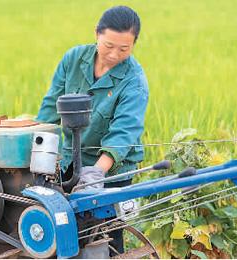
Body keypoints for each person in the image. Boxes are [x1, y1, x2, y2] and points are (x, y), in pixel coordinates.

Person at [36, 5, 148, 255]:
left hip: (109, 171)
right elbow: (51, 107)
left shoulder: (134, 81)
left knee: (106, 236)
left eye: (124, 49)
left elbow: (124, 132)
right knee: (64, 231)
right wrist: (36, 143)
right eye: (108, 45)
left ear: (134, 45)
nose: (114, 54)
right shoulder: (74, 59)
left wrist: (97, 172)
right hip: (68, 161)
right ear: (96, 34)